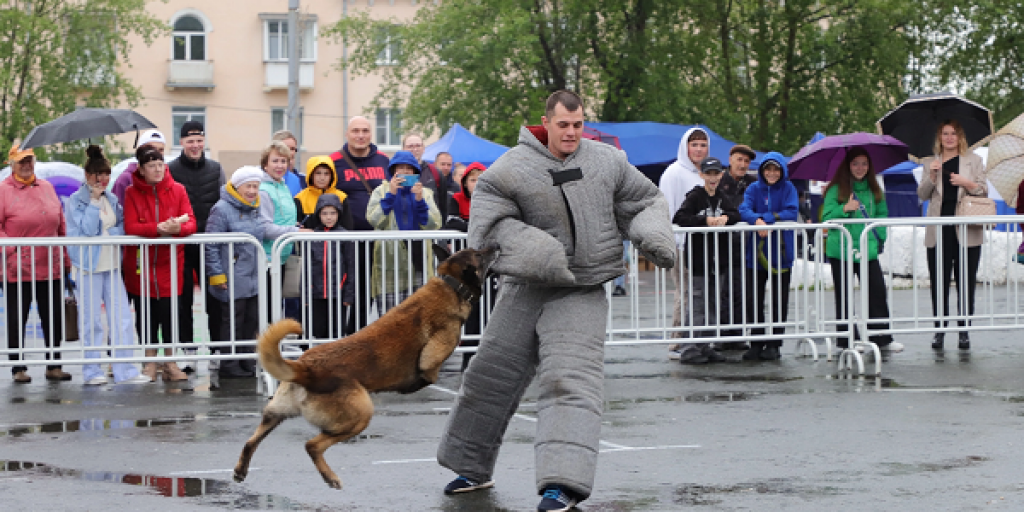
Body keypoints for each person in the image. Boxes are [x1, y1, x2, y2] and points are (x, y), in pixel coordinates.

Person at [437, 90, 675, 512]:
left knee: (570, 381)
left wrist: (652, 235)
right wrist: (537, 251)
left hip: (582, 289)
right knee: (489, 377)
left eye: (578, 124)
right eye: (563, 124)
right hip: (524, 287)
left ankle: (561, 484)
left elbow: (646, 200)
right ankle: (470, 466)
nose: (571, 132)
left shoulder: (608, 161)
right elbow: (488, 228)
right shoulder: (508, 170)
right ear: (546, 122)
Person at [205, 167, 305, 379]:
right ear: (237, 186)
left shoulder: (255, 207)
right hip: (231, 273)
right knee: (232, 319)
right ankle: (229, 362)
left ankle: (247, 360)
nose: (252, 191)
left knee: (251, 319)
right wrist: (216, 274)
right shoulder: (221, 209)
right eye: (248, 186)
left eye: (256, 186)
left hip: (253, 273)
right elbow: (211, 244)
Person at [64, 146, 151, 385]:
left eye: (106, 174)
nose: (102, 180)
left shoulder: (112, 198)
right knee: (91, 321)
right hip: (88, 267)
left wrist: (107, 231)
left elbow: (121, 228)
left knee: (121, 318)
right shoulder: (75, 201)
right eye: (97, 175)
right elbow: (88, 231)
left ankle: (126, 371)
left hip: (112, 265)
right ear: (87, 175)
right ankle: (92, 371)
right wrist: (93, 205)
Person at [122, 145, 197, 382]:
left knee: (170, 315)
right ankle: (150, 362)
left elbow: (192, 222)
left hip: (171, 264)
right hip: (141, 266)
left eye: (159, 165)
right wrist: (156, 228)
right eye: (150, 166)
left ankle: (171, 362)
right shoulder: (132, 192)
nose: (157, 170)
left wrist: (178, 229)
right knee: (146, 317)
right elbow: (131, 226)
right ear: (141, 170)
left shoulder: (178, 190)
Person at [1, 142, 72, 383]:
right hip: (16, 268)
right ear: (12, 164)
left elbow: (60, 223)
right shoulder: (3, 190)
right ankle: (17, 367)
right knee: (16, 317)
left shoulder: (47, 187)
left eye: (29, 160)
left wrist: (64, 257)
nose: (26, 165)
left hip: (49, 264)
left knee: (52, 316)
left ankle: (54, 364)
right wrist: (14, 250)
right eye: (21, 161)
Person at [820, 147, 903, 353]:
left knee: (876, 292)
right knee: (845, 296)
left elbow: (882, 214)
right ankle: (848, 340)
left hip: (867, 249)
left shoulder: (875, 189)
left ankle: (882, 338)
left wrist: (880, 235)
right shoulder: (836, 189)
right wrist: (844, 209)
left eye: (864, 163)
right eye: (855, 163)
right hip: (841, 250)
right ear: (848, 165)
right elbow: (826, 218)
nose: (860, 168)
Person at [918, 120, 988, 350]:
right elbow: (922, 194)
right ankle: (939, 329)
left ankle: (964, 330)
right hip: (939, 230)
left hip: (966, 229)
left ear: (960, 137)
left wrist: (965, 182)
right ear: (939, 137)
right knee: (939, 280)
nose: (949, 138)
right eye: (945, 134)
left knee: (965, 281)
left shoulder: (974, 160)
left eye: (953, 134)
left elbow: (983, 190)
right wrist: (932, 176)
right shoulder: (930, 162)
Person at [167, 120, 225, 373]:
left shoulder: (216, 168)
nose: (195, 145)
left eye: (199, 140)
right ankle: (188, 351)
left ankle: (216, 351)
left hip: (210, 246)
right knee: (182, 300)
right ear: (181, 142)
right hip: (181, 245)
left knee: (215, 300)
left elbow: (224, 202)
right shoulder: (170, 169)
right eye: (190, 141)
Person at [671, 157, 740, 364]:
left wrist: (726, 218)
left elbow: (736, 214)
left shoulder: (722, 197)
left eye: (716, 174)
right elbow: (680, 217)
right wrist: (705, 221)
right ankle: (689, 346)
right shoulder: (695, 196)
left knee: (713, 303)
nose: (712, 178)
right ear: (701, 175)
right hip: (699, 260)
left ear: (721, 175)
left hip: (718, 260)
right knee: (697, 303)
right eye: (708, 174)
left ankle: (705, 344)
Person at [738, 152, 799, 361]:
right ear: (762, 171)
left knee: (779, 300)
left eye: (775, 169)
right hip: (756, 254)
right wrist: (756, 221)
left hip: (781, 253)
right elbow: (743, 209)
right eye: (768, 169)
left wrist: (769, 218)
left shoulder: (788, 188)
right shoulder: (753, 188)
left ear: (781, 171)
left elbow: (792, 211)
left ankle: (775, 344)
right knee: (753, 300)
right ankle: (756, 342)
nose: (772, 173)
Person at [331, 116, 389, 333]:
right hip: (345, 238)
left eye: (365, 131)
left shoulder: (384, 161)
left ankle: (358, 332)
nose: (360, 135)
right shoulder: (334, 161)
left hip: (377, 237)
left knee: (369, 288)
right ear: (347, 134)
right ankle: (337, 334)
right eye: (356, 131)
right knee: (344, 287)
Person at [365, 150, 441, 313]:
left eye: (409, 168)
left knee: (419, 317)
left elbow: (434, 224)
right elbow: (374, 220)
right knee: (390, 321)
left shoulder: (425, 193)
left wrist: (420, 201)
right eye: (400, 168)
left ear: (415, 172)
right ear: (393, 171)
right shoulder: (381, 190)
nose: (405, 172)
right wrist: (391, 195)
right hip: (389, 264)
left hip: (419, 262)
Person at [659, 127, 709, 359]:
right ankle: (678, 340)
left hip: (704, 246)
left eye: (703, 145)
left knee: (701, 293)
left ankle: (700, 338)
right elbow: (666, 209)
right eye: (694, 144)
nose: (698, 149)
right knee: (686, 292)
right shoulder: (674, 173)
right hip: (681, 244)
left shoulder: (707, 173)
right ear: (685, 147)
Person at [443, 161, 492, 370]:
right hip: (465, 268)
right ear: (464, 183)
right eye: (472, 180)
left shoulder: (493, 200)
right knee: (468, 311)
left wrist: (471, 227)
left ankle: (486, 360)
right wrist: (476, 228)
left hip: (489, 266)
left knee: (489, 311)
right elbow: (451, 222)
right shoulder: (456, 199)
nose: (477, 183)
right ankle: (466, 361)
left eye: (481, 179)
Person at [259, 141, 299, 323]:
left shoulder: (283, 186)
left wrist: (294, 226)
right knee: (266, 310)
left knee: (276, 307)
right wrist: (296, 231)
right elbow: (265, 227)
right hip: (266, 258)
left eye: (284, 161)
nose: (280, 166)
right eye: (275, 161)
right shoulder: (264, 190)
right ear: (265, 164)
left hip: (280, 256)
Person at [307, 193, 355, 340]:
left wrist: (348, 294)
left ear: (339, 213)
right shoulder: (313, 235)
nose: (329, 217)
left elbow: (351, 266)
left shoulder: (345, 235)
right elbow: (307, 267)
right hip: (317, 293)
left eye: (333, 213)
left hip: (338, 294)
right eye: (324, 213)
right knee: (317, 330)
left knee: (337, 331)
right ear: (318, 214)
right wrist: (306, 294)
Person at [293, 156, 353, 230]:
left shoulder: (342, 197)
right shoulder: (300, 198)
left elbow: (347, 227)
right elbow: (297, 227)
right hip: (310, 241)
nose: (322, 178)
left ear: (332, 176)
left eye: (326, 174)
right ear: (311, 175)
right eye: (318, 173)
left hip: (337, 241)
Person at [112, 129, 167, 205]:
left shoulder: (167, 176)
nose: (156, 153)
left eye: (161, 150)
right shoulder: (125, 179)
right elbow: (117, 210)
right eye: (152, 149)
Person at [272, 130, 307, 196]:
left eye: (292, 149)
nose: (290, 152)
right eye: (286, 148)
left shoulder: (303, 180)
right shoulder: (262, 177)